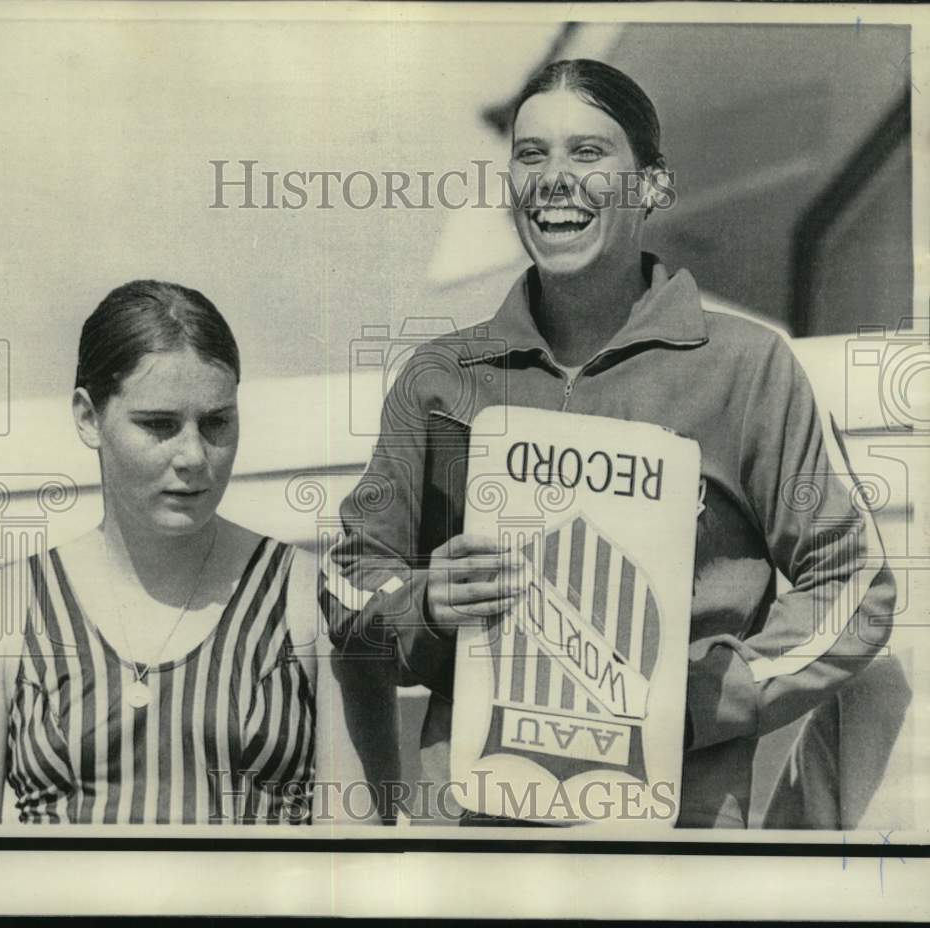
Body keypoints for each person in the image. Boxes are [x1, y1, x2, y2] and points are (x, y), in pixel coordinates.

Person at [321, 59, 897, 828]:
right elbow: (348, 578)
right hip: (473, 831)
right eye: (532, 155)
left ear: (653, 185)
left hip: (671, 841)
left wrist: (715, 694)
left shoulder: (747, 368)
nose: (554, 178)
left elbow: (854, 583)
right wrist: (424, 601)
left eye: (588, 153)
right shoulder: (440, 376)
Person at [0, 280, 396, 825]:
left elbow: (359, 857)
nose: (194, 456)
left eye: (216, 423)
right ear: (88, 417)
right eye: (159, 425)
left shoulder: (321, 603)